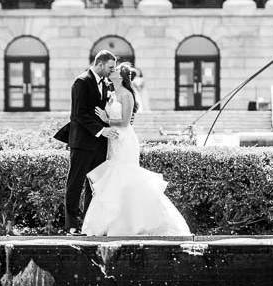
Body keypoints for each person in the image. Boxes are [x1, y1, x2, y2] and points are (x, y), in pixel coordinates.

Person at [81, 62, 191, 236]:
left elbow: (125, 122)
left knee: (126, 174)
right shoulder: (111, 94)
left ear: (121, 77)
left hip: (125, 139)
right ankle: (114, 222)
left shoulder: (126, 95)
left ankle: (138, 222)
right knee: (114, 177)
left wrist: (106, 119)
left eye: (115, 70)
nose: (112, 71)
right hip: (113, 139)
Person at [62, 50, 119, 235]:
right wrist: (102, 130)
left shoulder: (105, 83)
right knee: (76, 183)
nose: (113, 71)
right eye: (110, 67)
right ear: (100, 64)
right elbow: (79, 114)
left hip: (99, 144)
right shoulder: (81, 81)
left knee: (95, 185)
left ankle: (89, 223)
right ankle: (71, 225)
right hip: (82, 142)